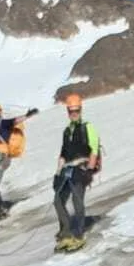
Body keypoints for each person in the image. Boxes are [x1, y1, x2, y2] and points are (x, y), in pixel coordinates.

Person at [53, 92, 100, 252]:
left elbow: (94, 148)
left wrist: (90, 170)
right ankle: (66, 233)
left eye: (76, 110)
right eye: (71, 111)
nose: (74, 114)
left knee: (77, 201)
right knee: (58, 200)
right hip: (67, 170)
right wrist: (58, 173)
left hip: (81, 168)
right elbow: (63, 154)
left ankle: (78, 235)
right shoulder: (67, 131)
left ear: (80, 110)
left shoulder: (87, 127)